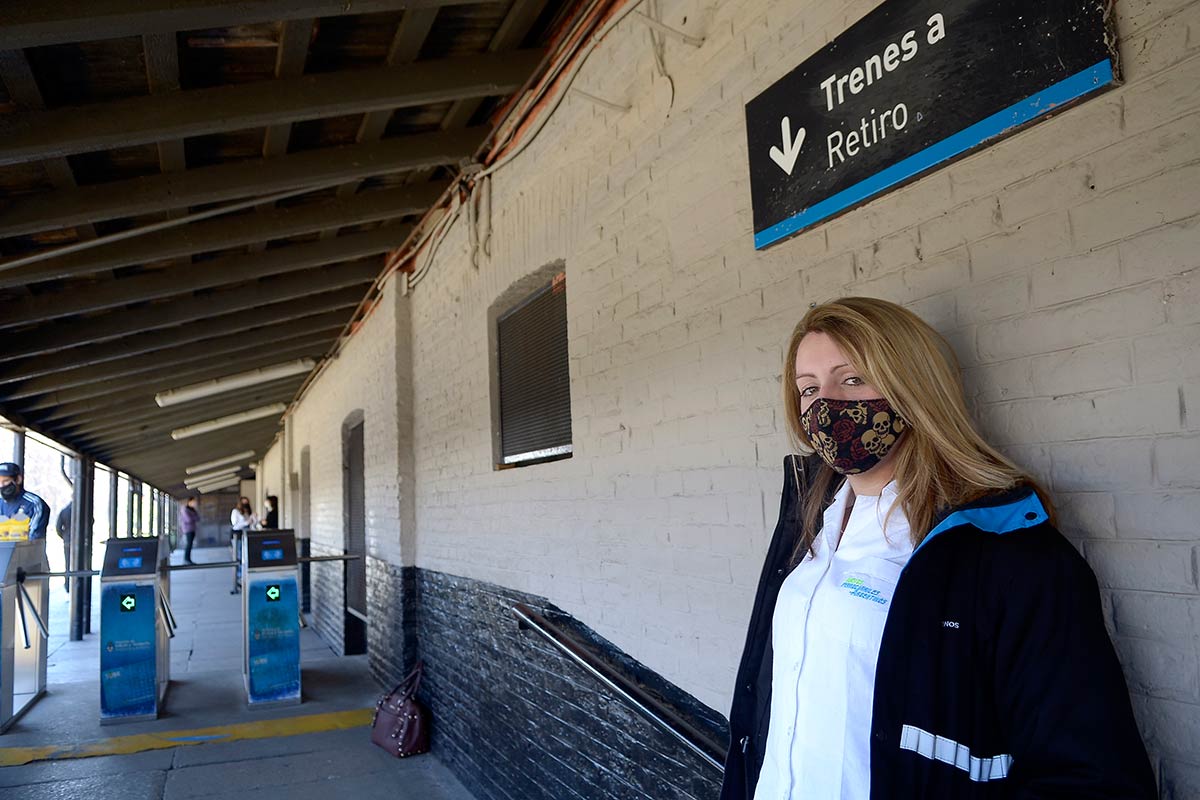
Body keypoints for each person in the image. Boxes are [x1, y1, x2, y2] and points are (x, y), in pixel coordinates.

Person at [721, 298, 1155, 800]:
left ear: (912, 387)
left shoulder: (1005, 556)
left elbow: (1091, 776)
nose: (826, 406)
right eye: (809, 389)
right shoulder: (809, 524)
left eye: (853, 379)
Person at [0, 462, 49, 544]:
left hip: (26, 551)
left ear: (18, 479)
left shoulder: (33, 504)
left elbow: (34, 539)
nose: (1, 486)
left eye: (6, 481)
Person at [229, 496, 257, 594]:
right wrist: (246, 522)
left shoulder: (247, 511)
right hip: (237, 535)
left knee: (245, 556)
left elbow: (251, 524)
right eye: (244, 502)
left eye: (247, 502)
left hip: (246, 534)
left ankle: (243, 577)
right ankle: (238, 578)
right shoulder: (235, 511)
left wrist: (253, 518)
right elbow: (234, 524)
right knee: (238, 556)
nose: (245, 504)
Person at [56, 501, 72, 590]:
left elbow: (58, 528)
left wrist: (64, 536)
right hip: (82, 541)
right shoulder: (83, 510)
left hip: (68, 541)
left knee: (68, 564)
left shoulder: (64, 511)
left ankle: (68, 585)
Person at [179, 497, 199, 565]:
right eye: (193, 502)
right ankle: (186, 559)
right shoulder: (185, 509)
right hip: (187, 529)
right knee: (189, 544)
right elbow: (188, 519)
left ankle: (188, 559)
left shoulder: (192, 509)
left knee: (190, 544)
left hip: (193, 528)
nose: (194, 503)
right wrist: (194, 517)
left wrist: (193, 517)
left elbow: (198, 518)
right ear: (189, 502)